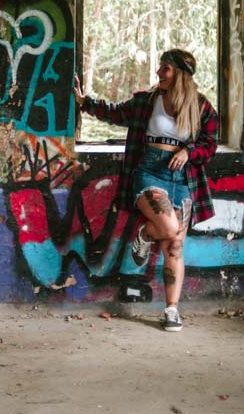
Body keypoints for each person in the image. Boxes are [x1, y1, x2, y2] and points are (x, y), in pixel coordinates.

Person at [73, 49, 218, 331]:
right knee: (168, 227)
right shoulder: (148, 101)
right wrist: (84, 103)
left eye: (165, 68)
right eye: (160, 68)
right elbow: (115, 113)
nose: (158, 73)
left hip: (183, 179)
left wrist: (188, 152)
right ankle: (144, 234)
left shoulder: (201, 107)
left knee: (174, 246)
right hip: (150, 173)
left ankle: (172, 310)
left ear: (181, 74)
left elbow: (209, 145)